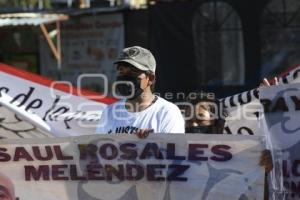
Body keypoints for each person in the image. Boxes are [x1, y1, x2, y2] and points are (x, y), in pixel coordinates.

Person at [183, 92, 273, 199]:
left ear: (219, 125)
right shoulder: (175, 158)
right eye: (189, 122)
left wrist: (263, 173)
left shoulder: (244, 159)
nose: (193, 125)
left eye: (200, 120)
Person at [96, 46, 185, 136]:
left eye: (133, 72)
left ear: (150, 78)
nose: (126, 77)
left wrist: (152, 142)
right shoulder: (109, 112)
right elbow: (97, 147)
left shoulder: (167, 112)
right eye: (121, 72)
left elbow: (174, 149)